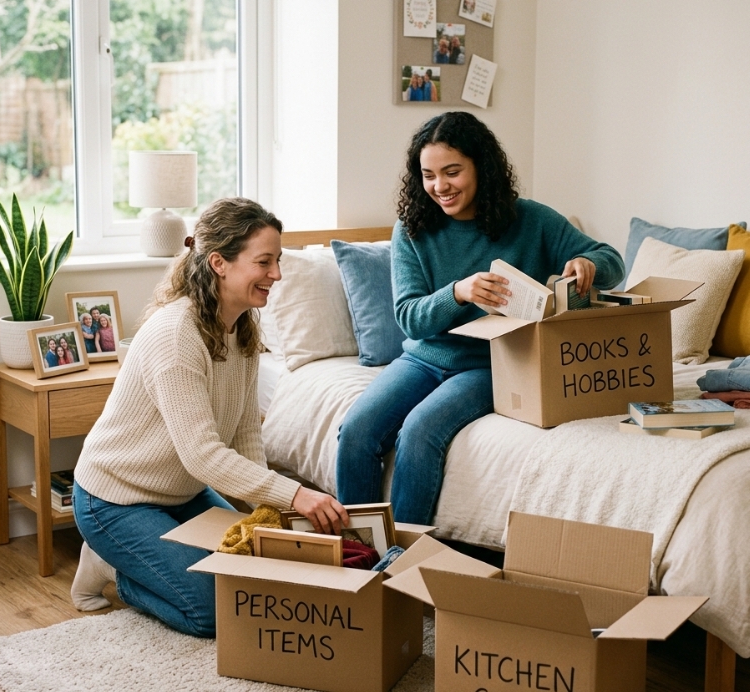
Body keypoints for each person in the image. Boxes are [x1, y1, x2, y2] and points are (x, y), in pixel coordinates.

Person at [71, 197, 348, 637]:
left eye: (276, 261)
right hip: (114, 500)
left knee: (256, 584)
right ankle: (113, 565)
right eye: (264, 262)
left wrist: (269, 512)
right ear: (219, 262)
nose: (276, 274)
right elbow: (204, 456)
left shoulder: (241, 328)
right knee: (215, 611)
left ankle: (139, 561)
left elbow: (243, 431)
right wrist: (295, 495)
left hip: (182, 494)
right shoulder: (175, 336)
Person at [335, 112, 624, 526]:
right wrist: (458, 292)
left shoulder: (531, 219)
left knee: (418, 434)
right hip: (423, 358)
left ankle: (400, 562)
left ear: (481, 168)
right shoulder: (413, 229)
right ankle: (360, 554)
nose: (439, 187)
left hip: (493, 363)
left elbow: (612, 260)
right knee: (356, 432)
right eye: (428, 175)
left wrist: (585, 262)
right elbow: (409, 318)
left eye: (452, 172)